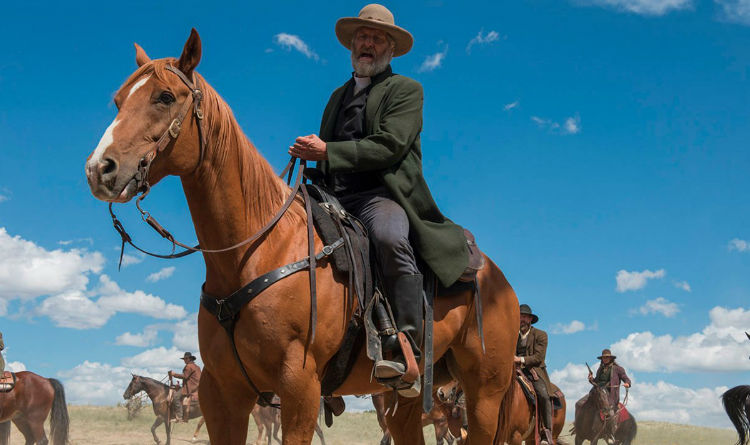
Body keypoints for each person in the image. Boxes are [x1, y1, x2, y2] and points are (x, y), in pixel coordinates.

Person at [290, 4, 477, 396]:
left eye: (377, 38)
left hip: (380, 195)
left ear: (390, 48)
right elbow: (327, 154)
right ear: (352, 44)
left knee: (391, 238)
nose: (367, 44)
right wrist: (309, 162)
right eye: (362, 37)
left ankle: (407, 343)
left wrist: (327, 151)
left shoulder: (406, 90)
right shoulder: (336, 96)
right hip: (332, 194)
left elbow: (390, 146)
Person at [514, 304, 555, 444]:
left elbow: (539, 358)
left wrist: (520, 359)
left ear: (530, 319)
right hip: (512, 369)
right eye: (519, 316)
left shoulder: (541, 335)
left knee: (543, 394)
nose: (522, 319)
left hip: (534, 370)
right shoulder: (512, 335)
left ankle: (546, 432)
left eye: (524, 317)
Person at [574, 349, 632, 429]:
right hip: (596, 393)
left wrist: (627, 383)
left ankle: (612, 432)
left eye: (607, 357)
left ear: (611, 358)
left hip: (609, 395)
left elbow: (626, 378)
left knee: (609, 412)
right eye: (604, 358)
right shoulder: (600, 369)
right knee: (579, 403)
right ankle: (578, 425)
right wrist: (591, 379)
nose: (605, 359)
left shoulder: (618, 369)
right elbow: (596, 382)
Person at [169, 352, 201, 422]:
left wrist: (174, 374)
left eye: (186, 359)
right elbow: (189, 379)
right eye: (184, 359)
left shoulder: (189, 366)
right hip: (197, 388)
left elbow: (184, 376)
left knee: (176, 397)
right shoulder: (197, 367)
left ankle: (179, 416)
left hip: (190, 389)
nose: (184, 360)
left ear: (190, 359)